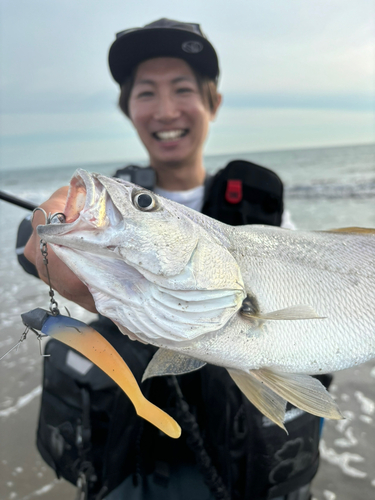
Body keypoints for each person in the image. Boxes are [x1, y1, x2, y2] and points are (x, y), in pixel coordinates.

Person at [20, 18, 329, 500]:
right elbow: (44, 238)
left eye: (182, 88)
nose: (165, 110)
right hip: (134, 459)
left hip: (242, 460)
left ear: (213, 102)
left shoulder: (262, 207)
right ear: (127, 109)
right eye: (145, 93)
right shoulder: (100, 207)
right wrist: (46, 237)